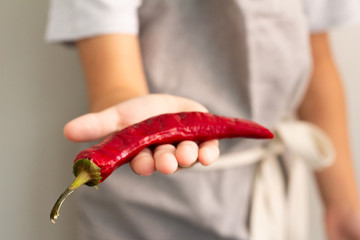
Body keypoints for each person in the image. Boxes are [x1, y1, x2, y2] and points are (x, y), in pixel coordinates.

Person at [46, 0, 360, 239]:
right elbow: (115, 81)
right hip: (151, 209)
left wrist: (343, 206)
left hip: (268, 189)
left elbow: (317, 61)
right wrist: (128, 106)